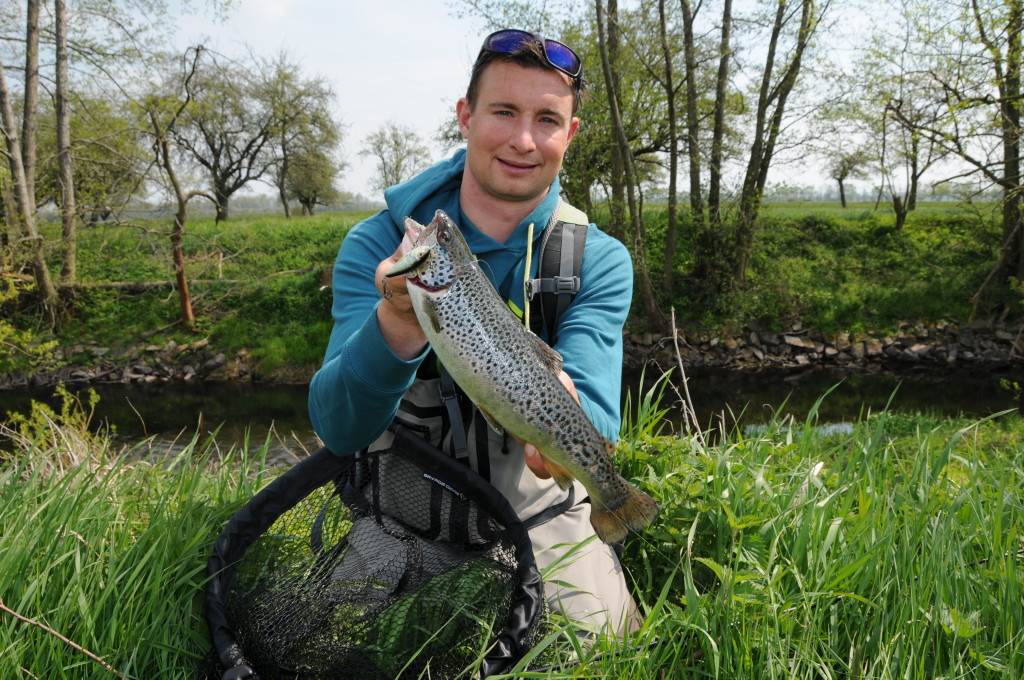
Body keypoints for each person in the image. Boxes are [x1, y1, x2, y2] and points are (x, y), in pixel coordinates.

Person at [308, 29, 638, 635]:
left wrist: (570, 417)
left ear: (571, 134)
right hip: (397, 519)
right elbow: (337, 427)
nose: (522, 139)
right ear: (465, 116)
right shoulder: (379, 244)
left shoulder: (597, 260)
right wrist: (398, 319)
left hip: (539, 514)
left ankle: (613, 516)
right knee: (340, 641)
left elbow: (596, 408)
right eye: (504, 112)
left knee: (605, 649)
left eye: (546, 119)